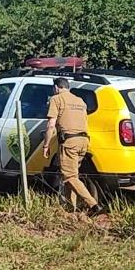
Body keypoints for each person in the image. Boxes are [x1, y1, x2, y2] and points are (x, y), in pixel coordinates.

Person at [42, 78, 100, 215]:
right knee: (71, 176)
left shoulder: (56, 99)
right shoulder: (80, 101)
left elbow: (51, 124)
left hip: (69, 142)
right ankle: (70, 209)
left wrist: (46, 145)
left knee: (69, 177)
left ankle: (94, 205)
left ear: (56, 88)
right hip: (83, 141)